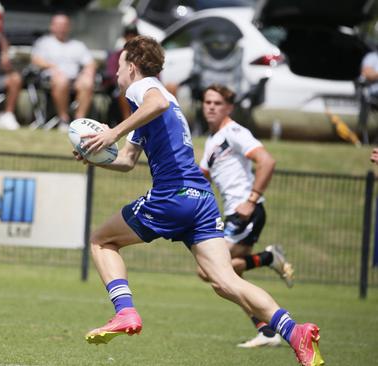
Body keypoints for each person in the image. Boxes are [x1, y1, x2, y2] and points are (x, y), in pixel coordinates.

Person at [75, 36, 323, 366]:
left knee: (101, 241)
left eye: (119, 66)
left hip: (173, 194)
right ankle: (295, 332)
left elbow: (155, 104)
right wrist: (94, 155)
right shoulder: (149, 107)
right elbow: (127, 161)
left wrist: (112, 131)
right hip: (200, 198)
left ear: (131, 67)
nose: (116, 73)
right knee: (225, 282)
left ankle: (125, 312)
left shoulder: (146, 89)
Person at [198, 84, 294, 348]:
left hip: (246, 213)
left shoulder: (235, 132)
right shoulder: (211, 141)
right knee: (227, 277)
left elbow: (267, 161)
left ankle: (269, 258)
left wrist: (251, 200)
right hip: (232, 216)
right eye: (207, 102)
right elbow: (199, 177)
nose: (211, 107)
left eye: (217, 103)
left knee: (211, 271)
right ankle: (266, 331)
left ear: (229, 107)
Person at [31, 14, 96, 131]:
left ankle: (79, 122)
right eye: (58, 25)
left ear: (69, 27)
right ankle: (63, 119)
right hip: (52, 78)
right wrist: (51, 66)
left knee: (87, 82)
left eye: (64, 25)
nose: (62, 28)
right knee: (61, 80)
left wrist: (88, 72)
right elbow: (36, 60)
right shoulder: (44, 43)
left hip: (75, 79)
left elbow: (90, 63)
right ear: (52, 27)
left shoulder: (78, 45)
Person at [104, 24, 139, 123]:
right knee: (125, 92)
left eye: (134, 35)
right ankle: (128, 123)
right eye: (128, 35)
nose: (131, 38)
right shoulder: (117, 55)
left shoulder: (144, 55)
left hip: (140, 84)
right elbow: (112, 74)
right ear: (125, 37)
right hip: (122, 86)